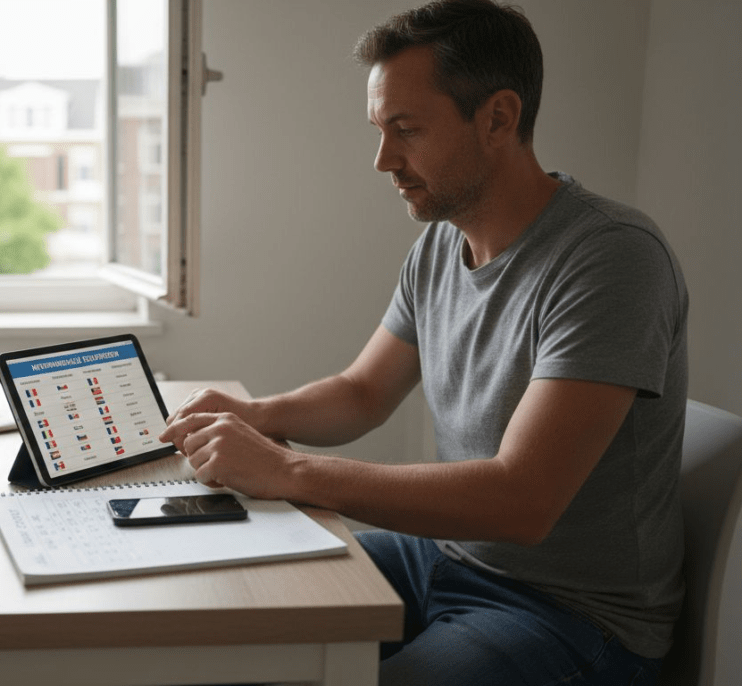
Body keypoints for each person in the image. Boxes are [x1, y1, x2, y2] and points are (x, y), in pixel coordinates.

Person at [159, 1, 688, 684]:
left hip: (574, 618)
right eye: (380, 130)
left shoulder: (613, 258)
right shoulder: (441, 243)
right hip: (445, 561)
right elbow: (362, 392)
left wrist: (287, 471)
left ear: (498, 117)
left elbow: (521, 500)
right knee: (232, 602)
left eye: (405, 130)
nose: (384, 160)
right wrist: (255, 417)